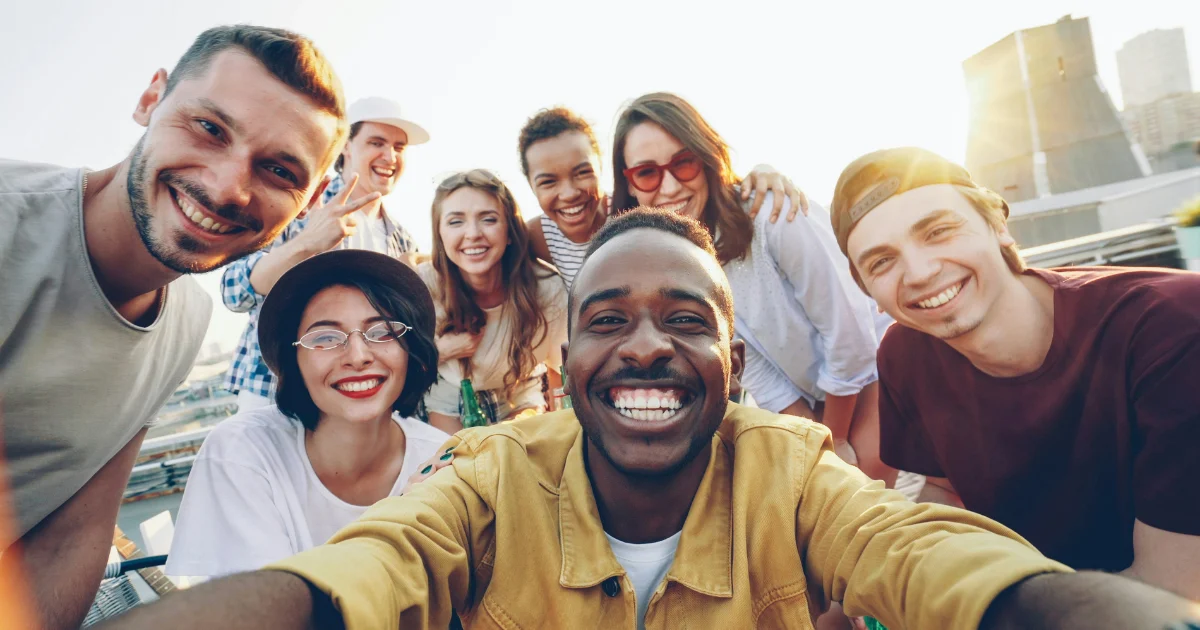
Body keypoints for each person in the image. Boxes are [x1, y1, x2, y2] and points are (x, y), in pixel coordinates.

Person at [100, 208, 1200, 630]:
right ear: (567, 358)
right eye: (608, 319)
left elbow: (925, 557)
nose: (644, 347)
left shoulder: (792, 467)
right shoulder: (486, 471)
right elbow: (365, 570)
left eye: (686, 320)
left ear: (731, 360)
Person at [0, 25, 347, 630]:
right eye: (210, 129)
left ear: (311, 200)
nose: (225, 187)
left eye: (279, 170)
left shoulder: (187, 320)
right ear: (149, 99)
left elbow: (77, 533)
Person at [830, 146, 1200, 600]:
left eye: (939, 231)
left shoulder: (1174, 329)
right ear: (866, 288)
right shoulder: (905, 355)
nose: (921, 272)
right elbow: (943, 492)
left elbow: (1170, 594)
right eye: (882, 262)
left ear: (997, 224)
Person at [611, 92, 891, 484]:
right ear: (631, 184)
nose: (670, 186)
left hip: (879, 371)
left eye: (684, 162)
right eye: (647, 172)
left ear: (707, 157)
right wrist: (814, 440)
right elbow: (753, 363)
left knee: (864, 501)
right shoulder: (678, 263)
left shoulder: (774, 214)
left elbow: (851, 334)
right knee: (820, 486)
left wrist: (836, 437)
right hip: (812, 394)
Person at [166, 250, 450, 580]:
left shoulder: (439, 459)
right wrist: (397, 524)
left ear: (411, 352)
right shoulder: (243, 452)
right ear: (293, 362)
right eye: (325, 338)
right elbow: (262, 610)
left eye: (383, 332)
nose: (358, 356)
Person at [222, 96, 429, 412]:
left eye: (399, 147)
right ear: (346, 146)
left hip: (350, 405)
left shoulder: (401, 241)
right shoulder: (300, 203)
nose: (389, 156)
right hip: (274, 396)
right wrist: (307, 243)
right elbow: (233, 290)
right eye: (377, 142)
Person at [518, 106, 808, 289]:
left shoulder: (631, 212)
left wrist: (763, 173)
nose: (569, 193)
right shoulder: (538, 237)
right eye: (548, 181)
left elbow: (698, 191)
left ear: (603, 170)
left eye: (582, 172)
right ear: (531, 186)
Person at [419, 169, 569, 432]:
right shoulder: (423, 286)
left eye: (488, 219)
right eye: (456, 222)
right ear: (440, 235)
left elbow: (560, 374)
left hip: (519, 392)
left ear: (509, 231)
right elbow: (399, 368)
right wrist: (440, 351)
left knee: (514, 458)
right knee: (457, 466)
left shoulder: (548, 290)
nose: (473, 233)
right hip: (449, 394)